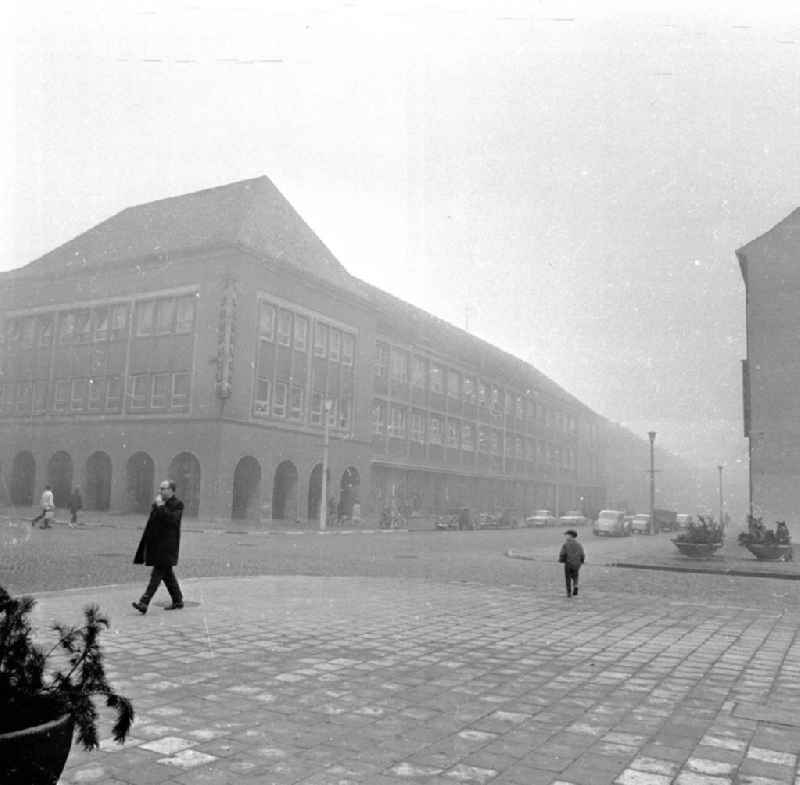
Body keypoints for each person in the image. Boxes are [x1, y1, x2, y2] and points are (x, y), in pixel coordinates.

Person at [132, 480, 184, 614]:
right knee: (167, 575)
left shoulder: (178, 504)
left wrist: (160, 507)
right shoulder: (158, 503)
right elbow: (153, 522)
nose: (160, 491)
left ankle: (144, 602)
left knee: (157, 574)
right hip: (157, 545)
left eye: (164, 489)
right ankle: (178, 600)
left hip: (167, 546)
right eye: (160, 489)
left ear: (172, 490)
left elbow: (172, 520)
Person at [558, 529, 585, 598]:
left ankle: (569, 592)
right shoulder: (579, 544)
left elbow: (562, 553)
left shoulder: (566, 544)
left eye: (567, 535)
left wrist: (561, 560)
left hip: (569, 563)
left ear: (570, 536)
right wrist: (582, 561)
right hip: (577, 564)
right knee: (575, 575)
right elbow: (582, 554)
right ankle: (575, 586)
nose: (566, 537)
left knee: (568, 578)